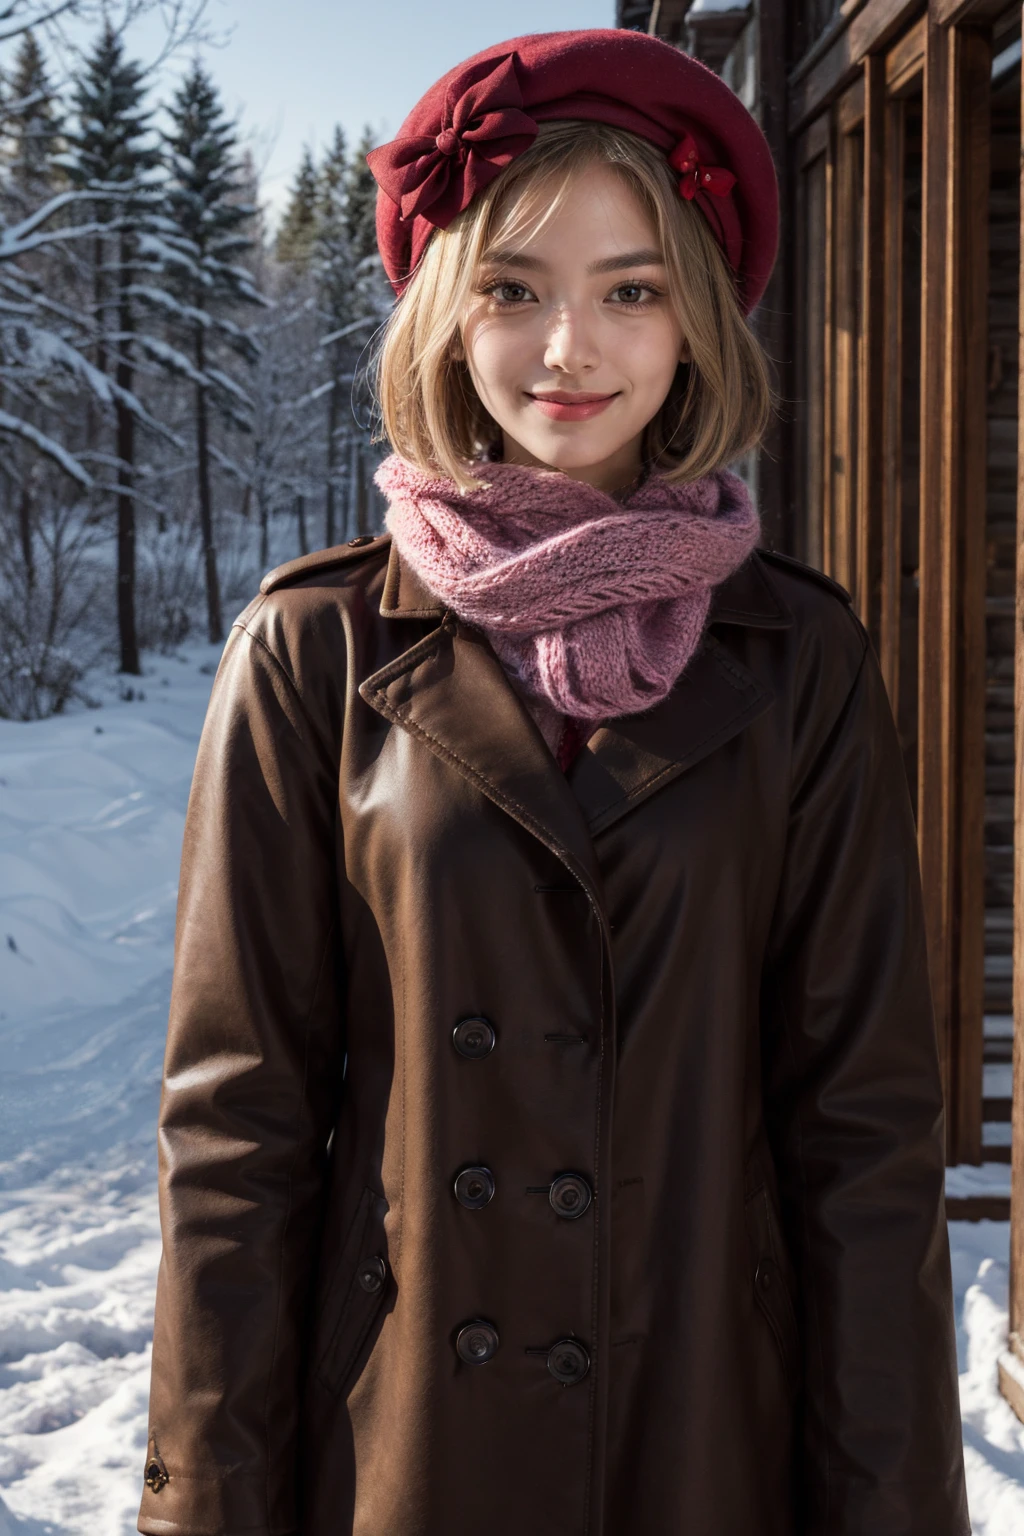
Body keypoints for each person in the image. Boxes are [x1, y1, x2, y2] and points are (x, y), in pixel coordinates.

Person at [138, 28, 969, 1536]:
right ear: (448, 313)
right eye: (514, 288)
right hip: (401, 1451)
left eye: (629, 290)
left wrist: (895, 1504)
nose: (567, 350)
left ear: (697, 321)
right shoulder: (313, 649)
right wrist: (207, 1507)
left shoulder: (802, 659)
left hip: (712, 1441)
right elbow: (236, 1136)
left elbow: (865, 1138)